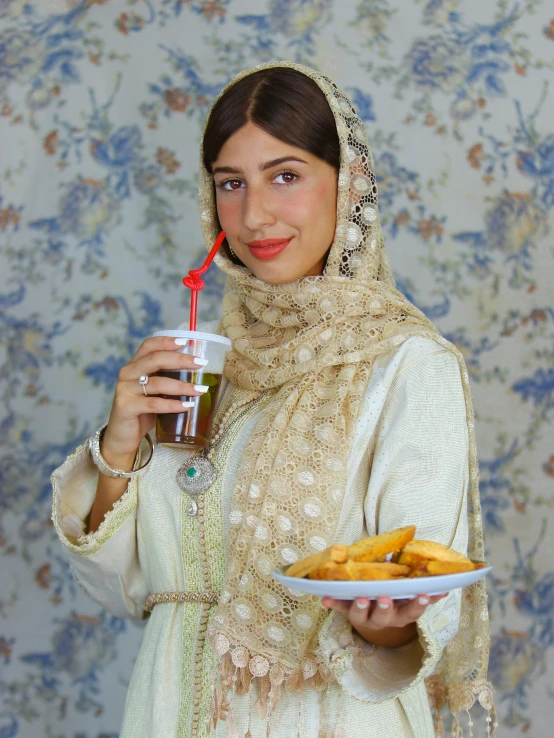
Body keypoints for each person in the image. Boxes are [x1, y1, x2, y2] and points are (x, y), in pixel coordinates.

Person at [52, 62, 494, 738]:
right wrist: (119, 443)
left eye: (285, 176)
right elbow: (128, 590)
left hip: (327, 718)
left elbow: (421, 600)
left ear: (347, 187)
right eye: (231, 184)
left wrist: (388, 625)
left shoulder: (407, 364)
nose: (254, 215)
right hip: (169, 710)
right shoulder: (208, 366)